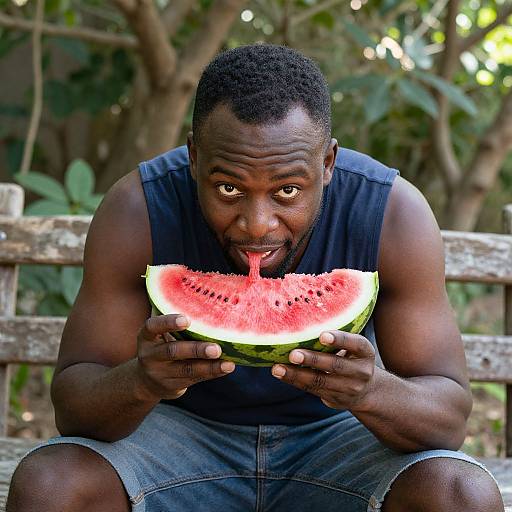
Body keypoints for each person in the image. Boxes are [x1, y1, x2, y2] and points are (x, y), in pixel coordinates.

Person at [7, 44, 504, 512]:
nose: (256, 223)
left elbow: (449, 418)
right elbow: (73, 407)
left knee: (460, 493)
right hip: (179, 437)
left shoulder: (392, 214)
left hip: (339, 442)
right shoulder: (138, 209)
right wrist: (140, 380)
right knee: (50, 484)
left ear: (327, 163)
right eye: (228, 187)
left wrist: (370, 390)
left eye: (287, 190)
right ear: (194, 158)